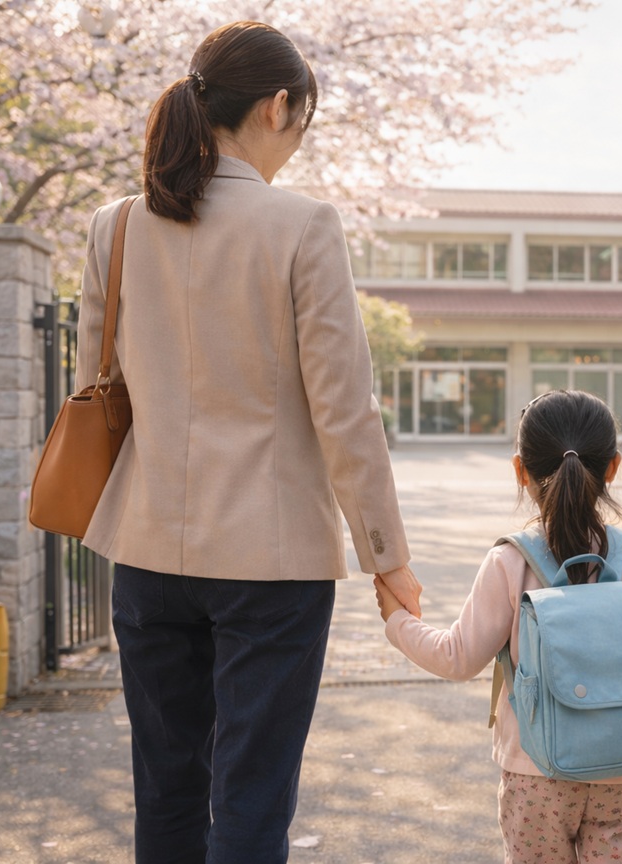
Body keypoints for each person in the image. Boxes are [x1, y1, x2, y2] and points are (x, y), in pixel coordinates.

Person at [75, 21, 422, 864]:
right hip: (273, 568)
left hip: (148, 554)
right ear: (277, 108)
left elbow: (93, 385)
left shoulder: (115, 227)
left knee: (164, 789)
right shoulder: (302, 226)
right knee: (253, 800)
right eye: (302, 117)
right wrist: (387, 556)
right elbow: (344, 409)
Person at [375, 390, 622, 864]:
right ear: (614, 467)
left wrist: (397, 621)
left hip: (536, 772)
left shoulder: (511, 562)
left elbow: (457, 658)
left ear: (520, 470)